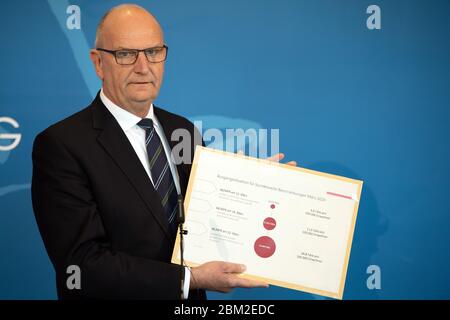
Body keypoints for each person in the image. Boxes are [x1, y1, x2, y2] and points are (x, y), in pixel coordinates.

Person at [32, 4, 293, 300]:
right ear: (98, 63)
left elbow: (205, 221)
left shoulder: (183, 131)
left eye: (153, 52)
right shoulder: (62, 145)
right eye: (126, 54)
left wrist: (254, 189)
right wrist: (188, 279)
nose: (143, 67)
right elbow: (81, 268)